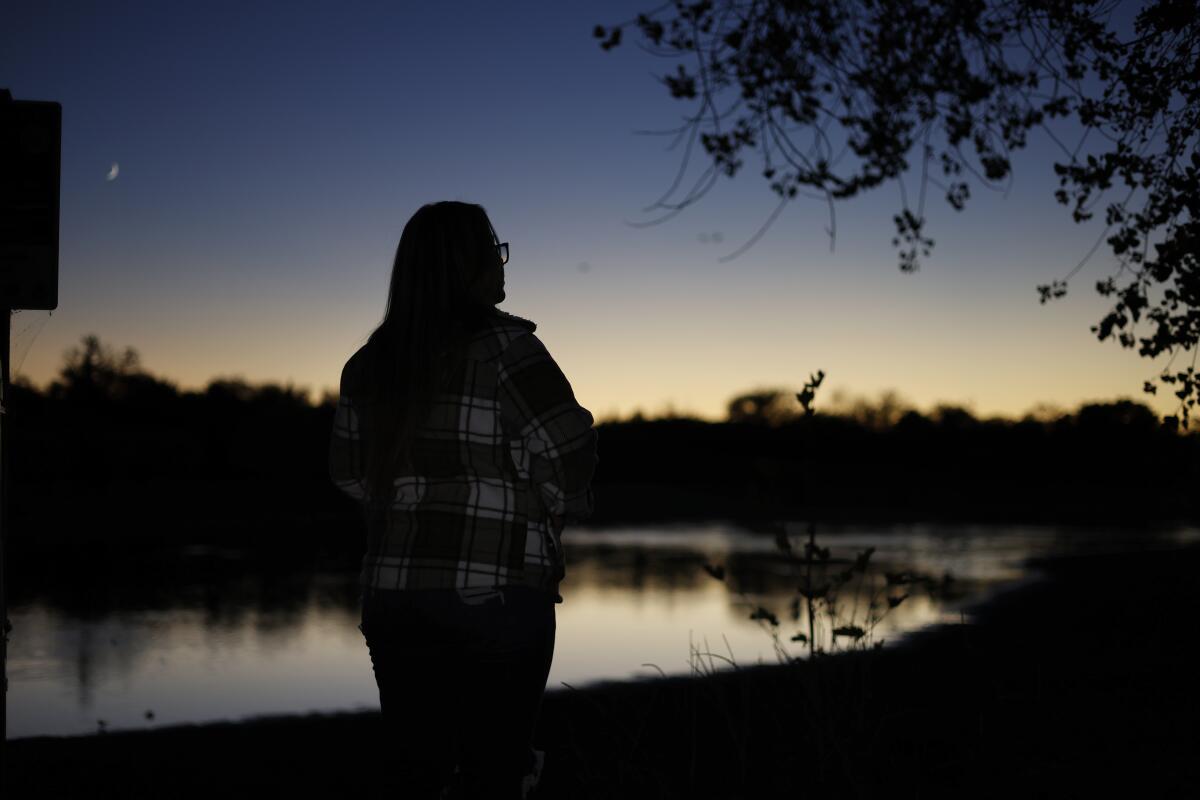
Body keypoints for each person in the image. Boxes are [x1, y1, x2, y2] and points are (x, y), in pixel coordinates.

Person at [328, 201, 598, 799]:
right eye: (493, 251)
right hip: (495, 593)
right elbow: (571, 450)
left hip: (395, 594)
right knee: (493, 773)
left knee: (415, 771)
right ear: (466, 265)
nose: (503, 266)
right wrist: (551, 498)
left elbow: (350, 476)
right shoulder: (507, 349)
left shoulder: (368, 366)